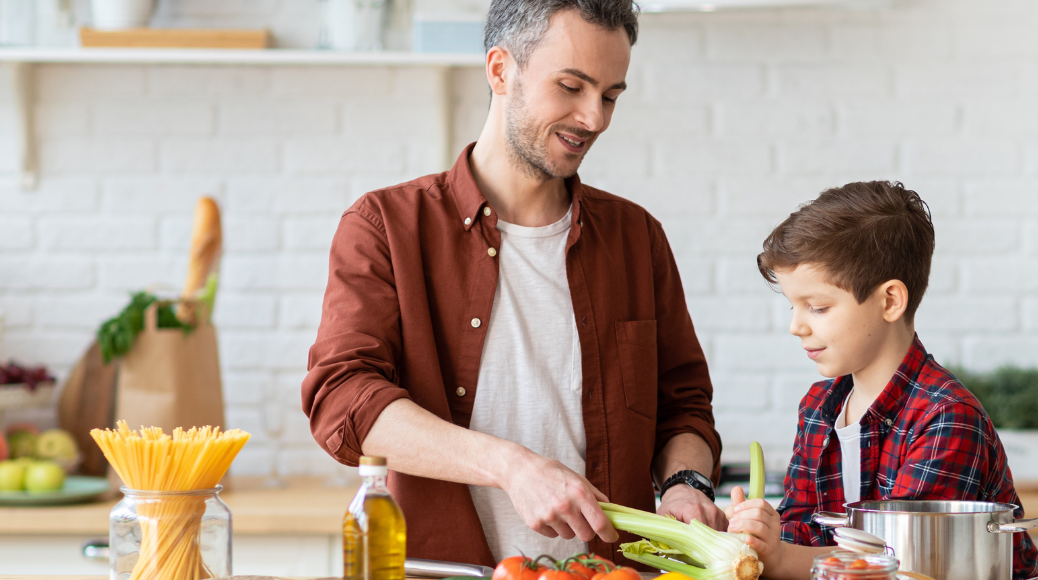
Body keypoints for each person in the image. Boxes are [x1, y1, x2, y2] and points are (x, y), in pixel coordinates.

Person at [302, 0, 726, 566]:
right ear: (501, 70)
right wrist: (510, 466)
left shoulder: (636, 237)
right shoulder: (385, 227)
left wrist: (685, 484)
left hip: (610, 573)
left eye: (610, 96)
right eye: (571, 87)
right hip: (449, 572)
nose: (594, 119)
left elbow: (684, 406)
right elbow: (342, 398)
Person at [726, 181, 1038, 580]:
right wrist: (764, 535)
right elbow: (803, 531)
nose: (796, 326)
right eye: (793, 306)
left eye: (818, 307)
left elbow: (905, 564)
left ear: (890, 301)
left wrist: (783, 558)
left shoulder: (947, 418)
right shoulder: (819, 407)